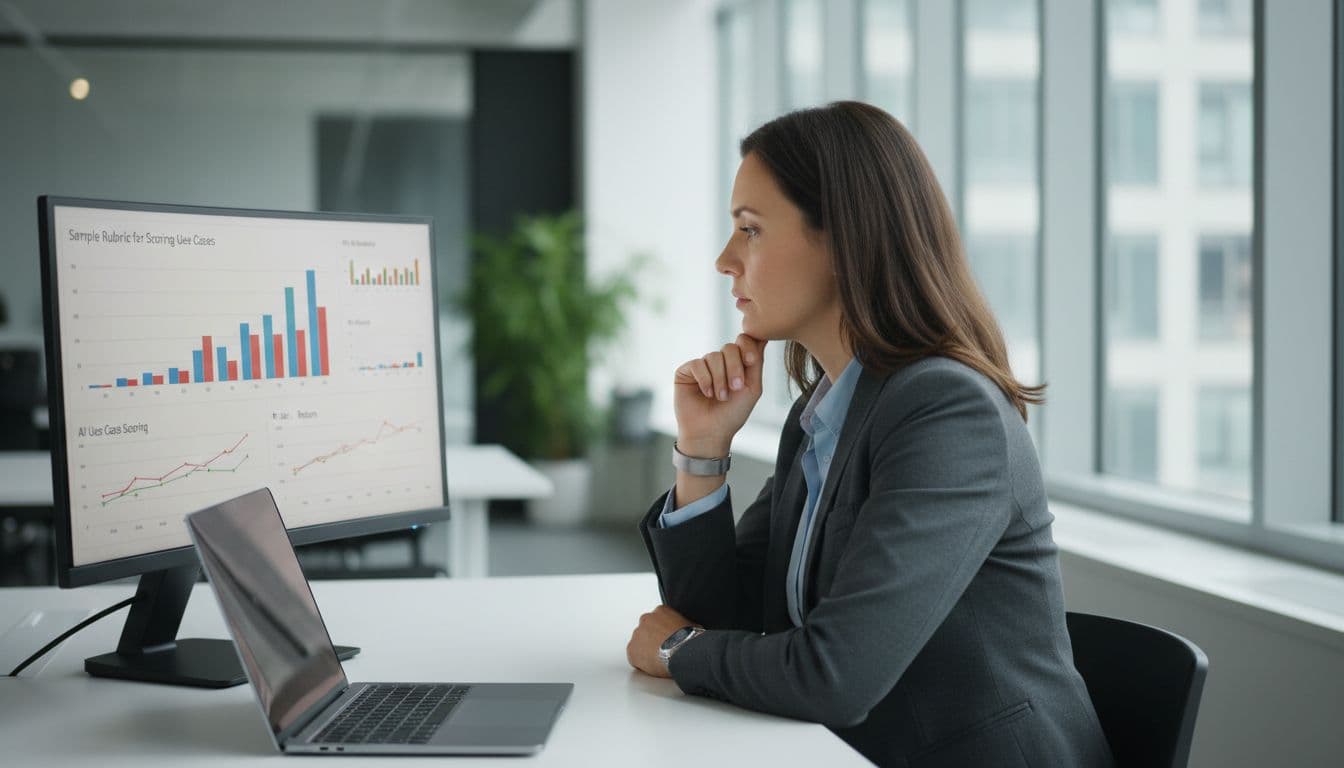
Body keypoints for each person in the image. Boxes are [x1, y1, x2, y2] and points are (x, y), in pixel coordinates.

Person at [624, 101, 1115, 767]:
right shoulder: (825, 413)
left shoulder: (947, 412)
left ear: (842, 239)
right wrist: (703, 452)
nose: (724, 260)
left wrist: (678, 652)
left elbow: (832, 676)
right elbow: (724, 624)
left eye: (751, 230)